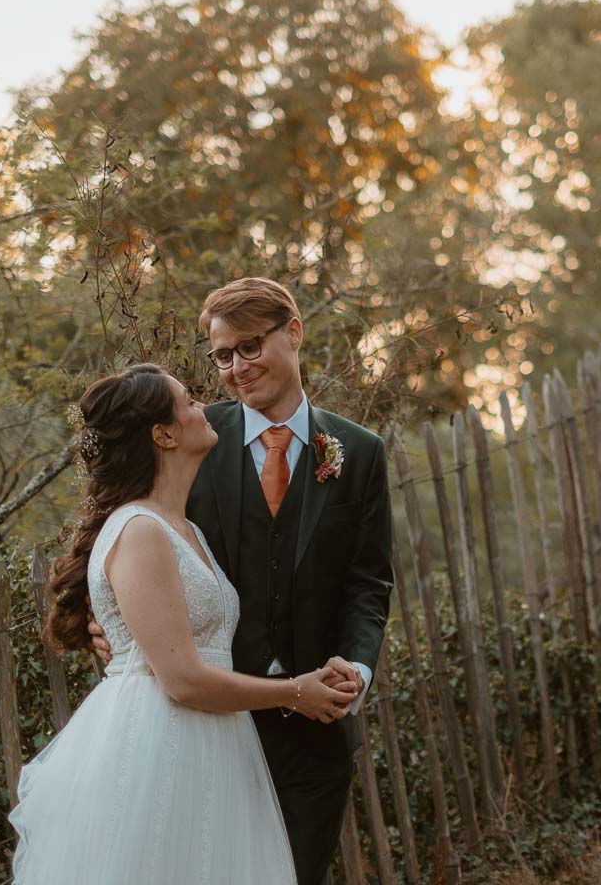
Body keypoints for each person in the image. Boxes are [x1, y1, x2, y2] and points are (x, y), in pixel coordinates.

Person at [89, 277, 395, 885]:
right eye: (222, 356)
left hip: (315, 735)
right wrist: (103, 623)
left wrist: (356, 671)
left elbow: (368, 582)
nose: (236, 369)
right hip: (214, 728)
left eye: (249, 347)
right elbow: (121, 532)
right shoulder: (191, 440)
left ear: (294, 333)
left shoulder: (356, 451)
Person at [9, 363, 357, 884]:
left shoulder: (183, 525)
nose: (203, 405)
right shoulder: (140, 529)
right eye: (188, 401)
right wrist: (293, 692)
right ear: (163, 434)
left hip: (212, 741)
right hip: (159, 742)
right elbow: (181, 679)